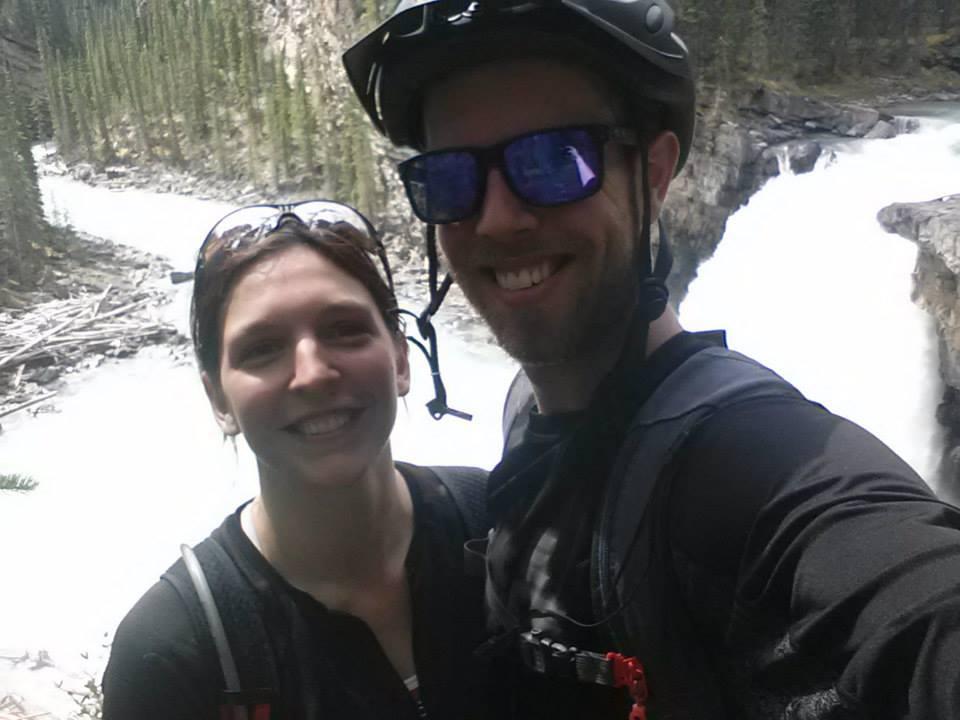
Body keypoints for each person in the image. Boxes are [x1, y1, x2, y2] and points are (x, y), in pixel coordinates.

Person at [343, 2, 960, 718]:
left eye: (553, 161)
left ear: (657, 171)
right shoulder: (528, 407)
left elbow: (910, 602)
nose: (498, 216)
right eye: (451, 179)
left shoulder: (753, 463)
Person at [101, 200, 489, 719]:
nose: (312, 374)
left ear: (400, 356)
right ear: (219, 401)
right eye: (262, 348)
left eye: (344, 329)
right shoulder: (174, 655)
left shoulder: (502, 524)